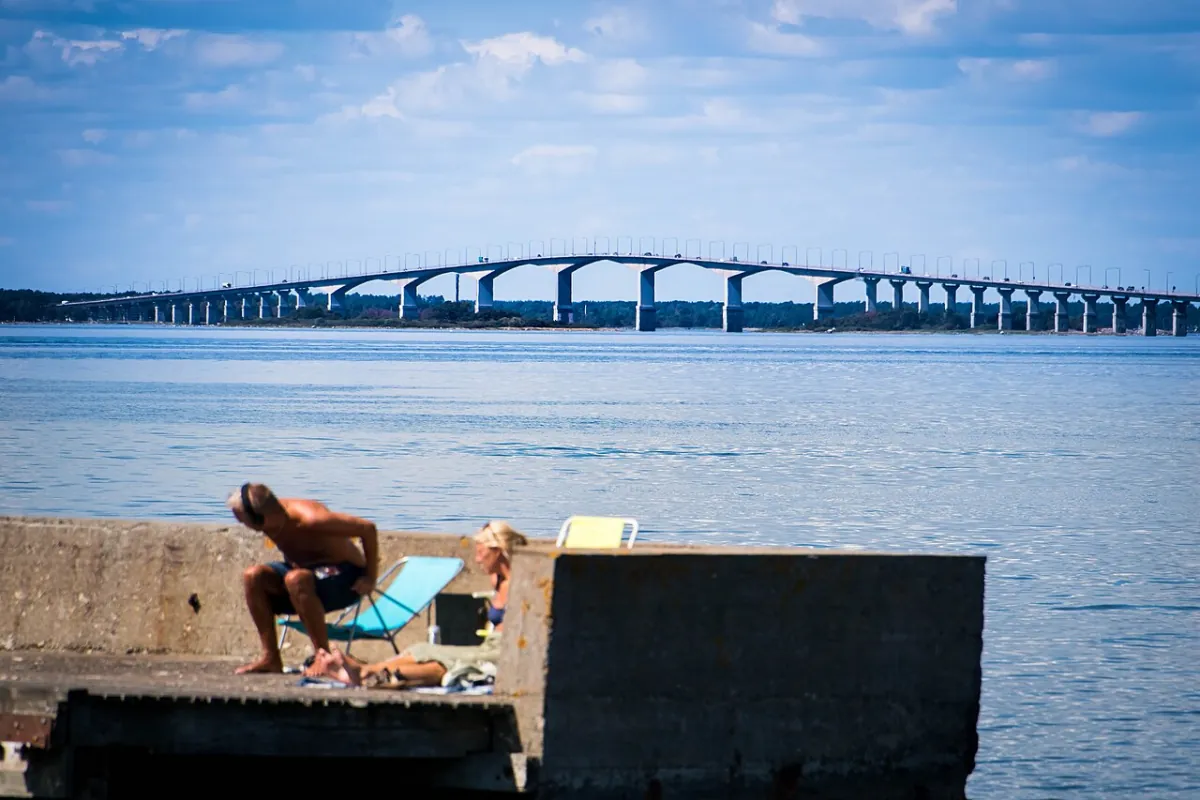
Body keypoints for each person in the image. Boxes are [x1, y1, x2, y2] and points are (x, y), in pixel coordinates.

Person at [309, 520, 526, 689]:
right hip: (488, 647)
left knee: (444, 661)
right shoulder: (497, 580)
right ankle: (363, 671)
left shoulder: (521, 583)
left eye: (481, 552)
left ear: (497, 550)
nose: (477, 560)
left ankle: (364, 671)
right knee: (419, 648)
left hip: (501, 652)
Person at [226, 482, 379, 675]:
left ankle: (323, 658)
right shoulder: (270, 517)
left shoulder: (311, 519)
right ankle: (270, 659)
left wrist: (370, 578)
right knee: (253, 577)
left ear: (262, 519)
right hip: (305, 575)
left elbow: (368, 529)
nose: (243, 526)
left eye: (244, 521)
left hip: (347, 579)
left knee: (296, 579)